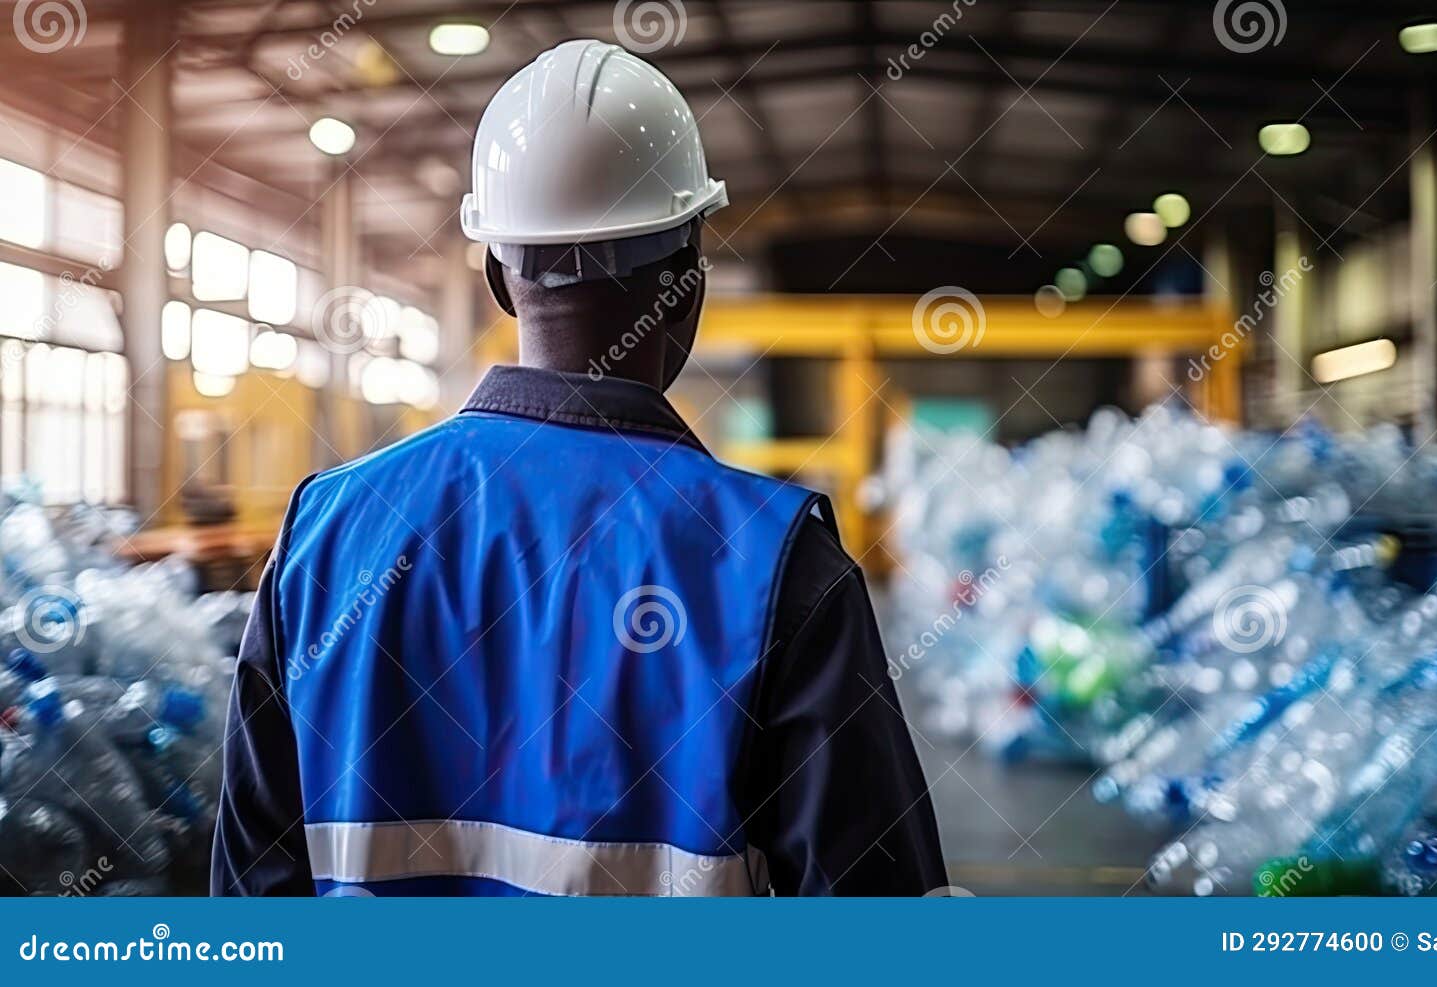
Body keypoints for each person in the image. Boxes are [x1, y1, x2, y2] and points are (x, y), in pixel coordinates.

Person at [211, 39, 945, 896]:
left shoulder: (324, 534)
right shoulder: (779, 567)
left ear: (493, 271)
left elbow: (251, 899)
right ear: (691, 284)